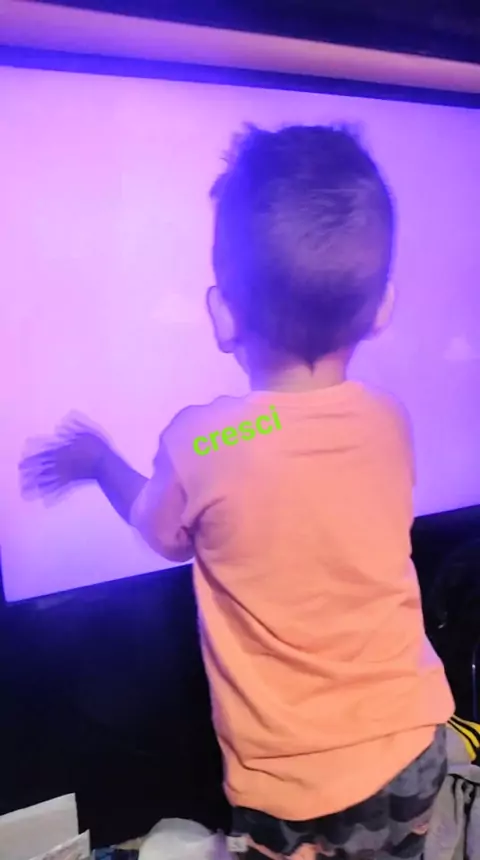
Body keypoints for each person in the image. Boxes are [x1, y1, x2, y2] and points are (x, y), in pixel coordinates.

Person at [20, 124, 454, 859]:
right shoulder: (390, 420)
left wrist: (100, 462)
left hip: (291, 786)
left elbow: (161, 532)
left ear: (222, 315)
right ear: (383, 307)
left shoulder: (204, 443)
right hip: (415, 749)